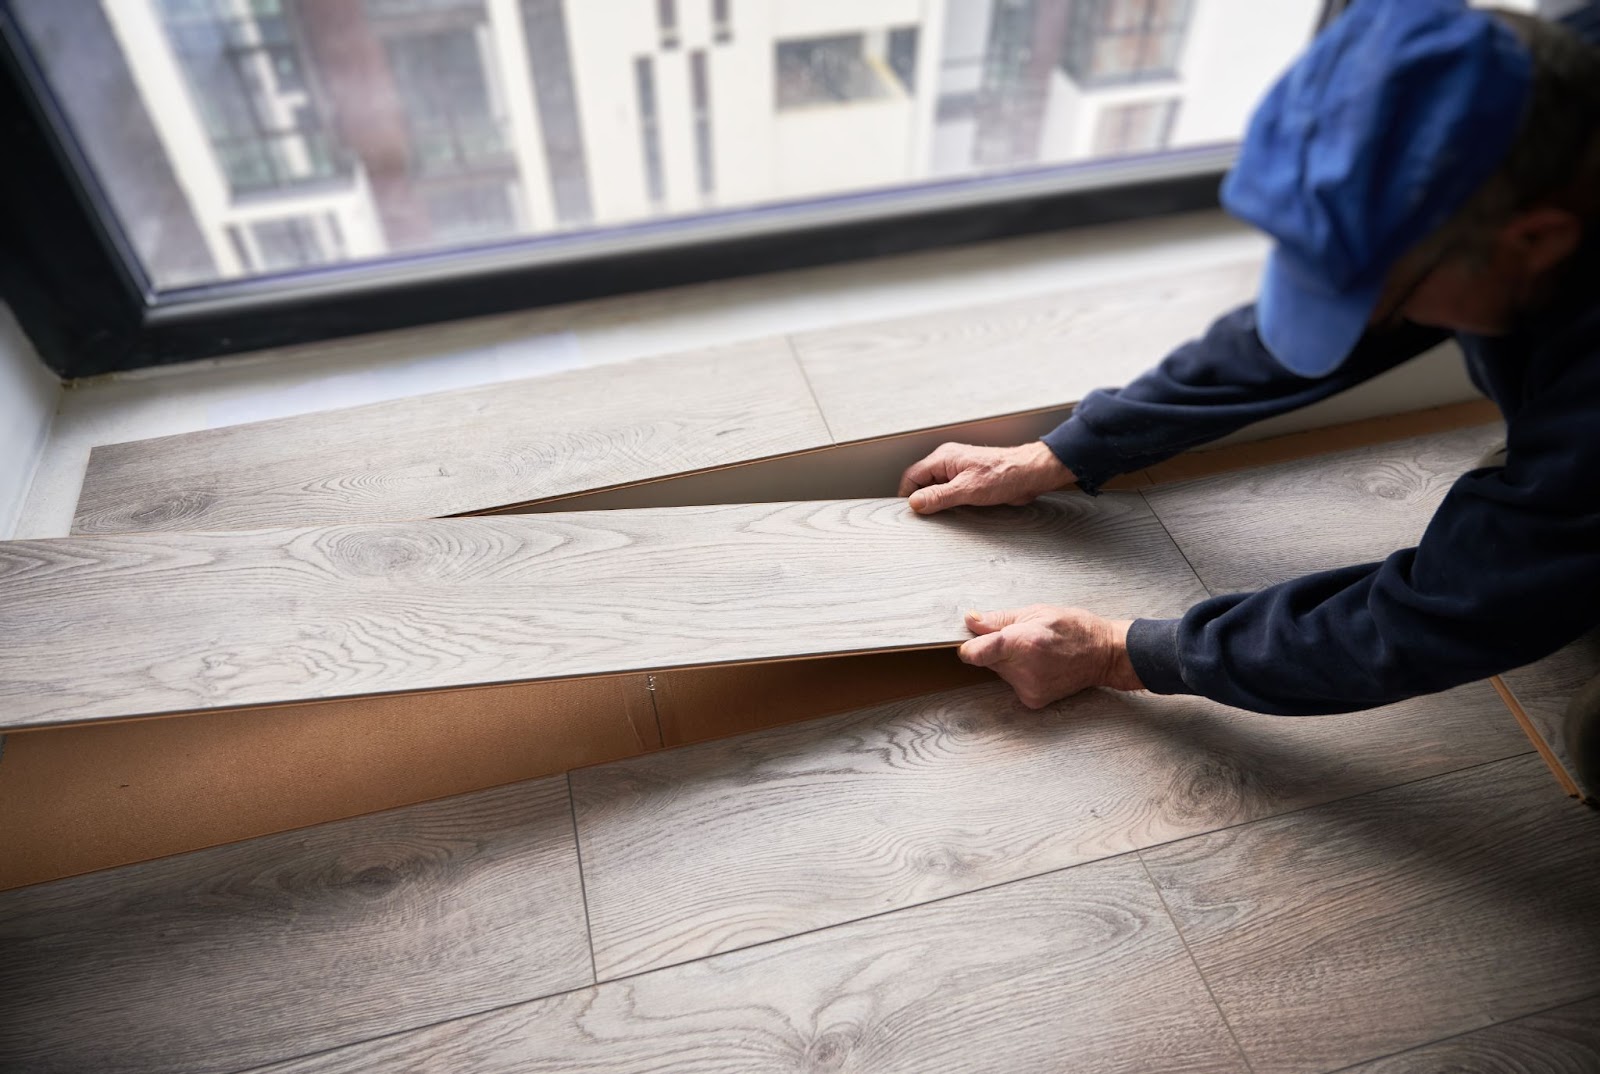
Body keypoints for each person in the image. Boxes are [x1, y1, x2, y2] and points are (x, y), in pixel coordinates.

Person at [898, 1, 1600, 795]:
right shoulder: (1518, 86)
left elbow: (1445, 612)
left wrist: (1122, 652)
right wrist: (1066, 449)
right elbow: (1315, 322)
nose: (1364, 315)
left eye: (1379, 291)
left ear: (1537, 240)